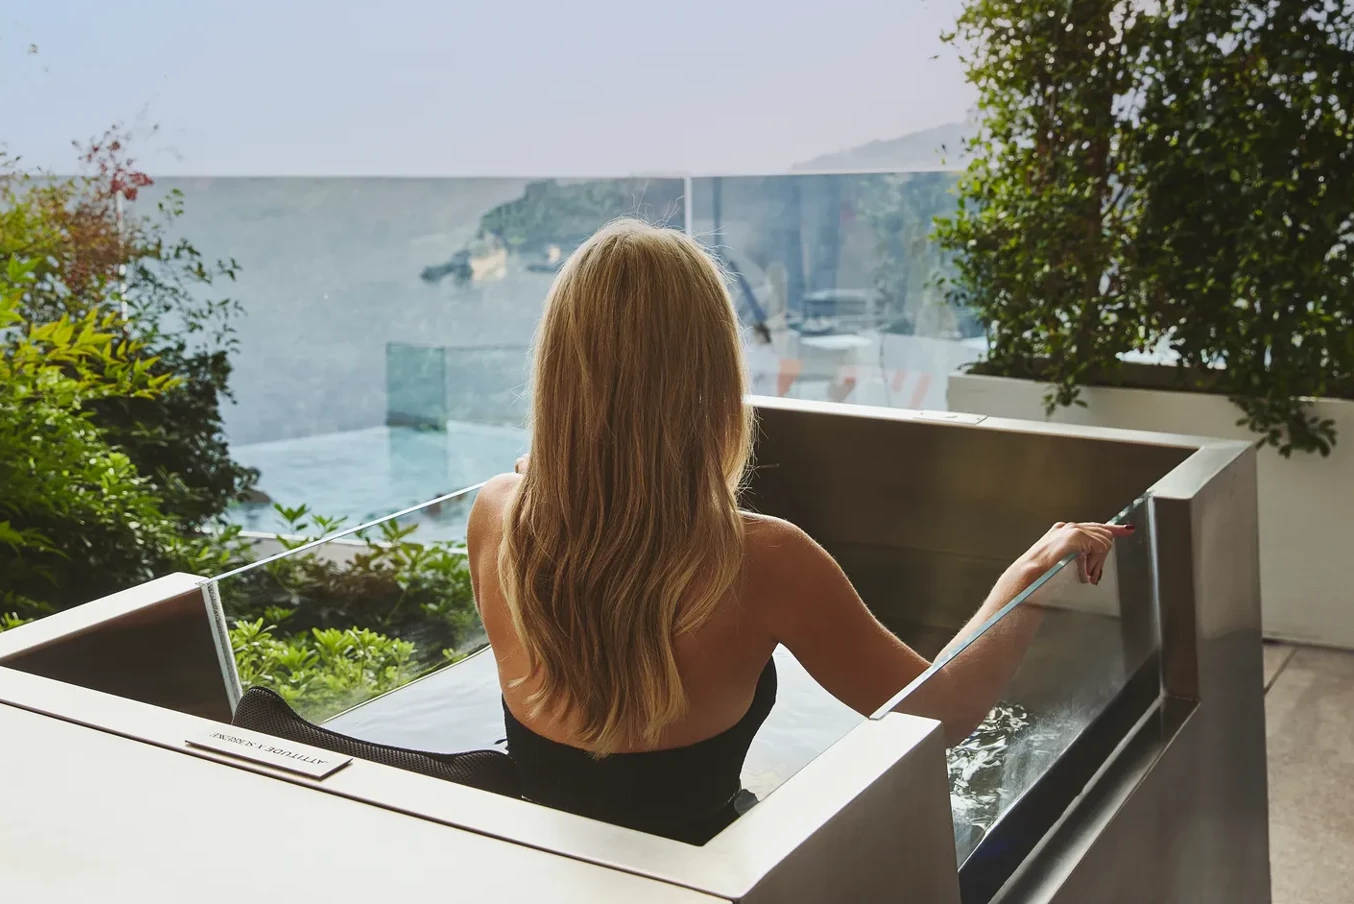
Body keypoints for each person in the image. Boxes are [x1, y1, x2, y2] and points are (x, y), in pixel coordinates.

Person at [465, 219, 1128, 845]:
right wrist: (1031, 575)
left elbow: (596, 570)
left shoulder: (495, 515)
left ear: (558, 372)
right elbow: (944, 713)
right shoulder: (762, 561)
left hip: (551, 871)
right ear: (711, 379)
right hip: (711, 879)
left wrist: (558, 478)